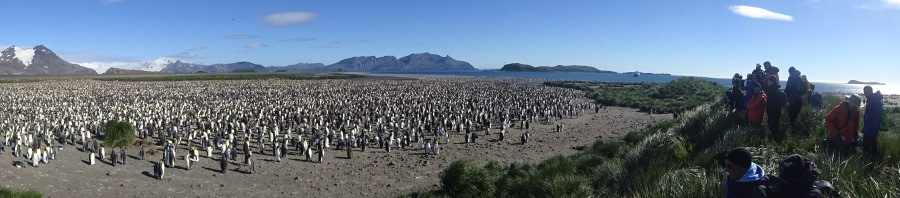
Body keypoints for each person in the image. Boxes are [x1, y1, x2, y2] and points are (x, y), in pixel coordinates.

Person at [862, 86, 883, 158]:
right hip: (869, 126)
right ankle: (869, 160)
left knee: (871, 144)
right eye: (864, 91)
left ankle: (870, 162)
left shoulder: (875, 99)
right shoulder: (870, 99)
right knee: (868, 143)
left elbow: (879, 112)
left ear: (871, 91)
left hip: (872, 127)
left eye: (866, 91)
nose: (865, 93)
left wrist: (868, 116)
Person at [765, 75, 787, 141]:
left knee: (773, 126)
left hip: (773, 111)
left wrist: (767, 109)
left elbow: (771, 102)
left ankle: (774, 141)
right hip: (777, 111)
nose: (767, 82)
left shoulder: (772, 90)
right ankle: (776, 140)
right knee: (775, 126)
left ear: (772, 81)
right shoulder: (776, 89)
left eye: (768, 81)